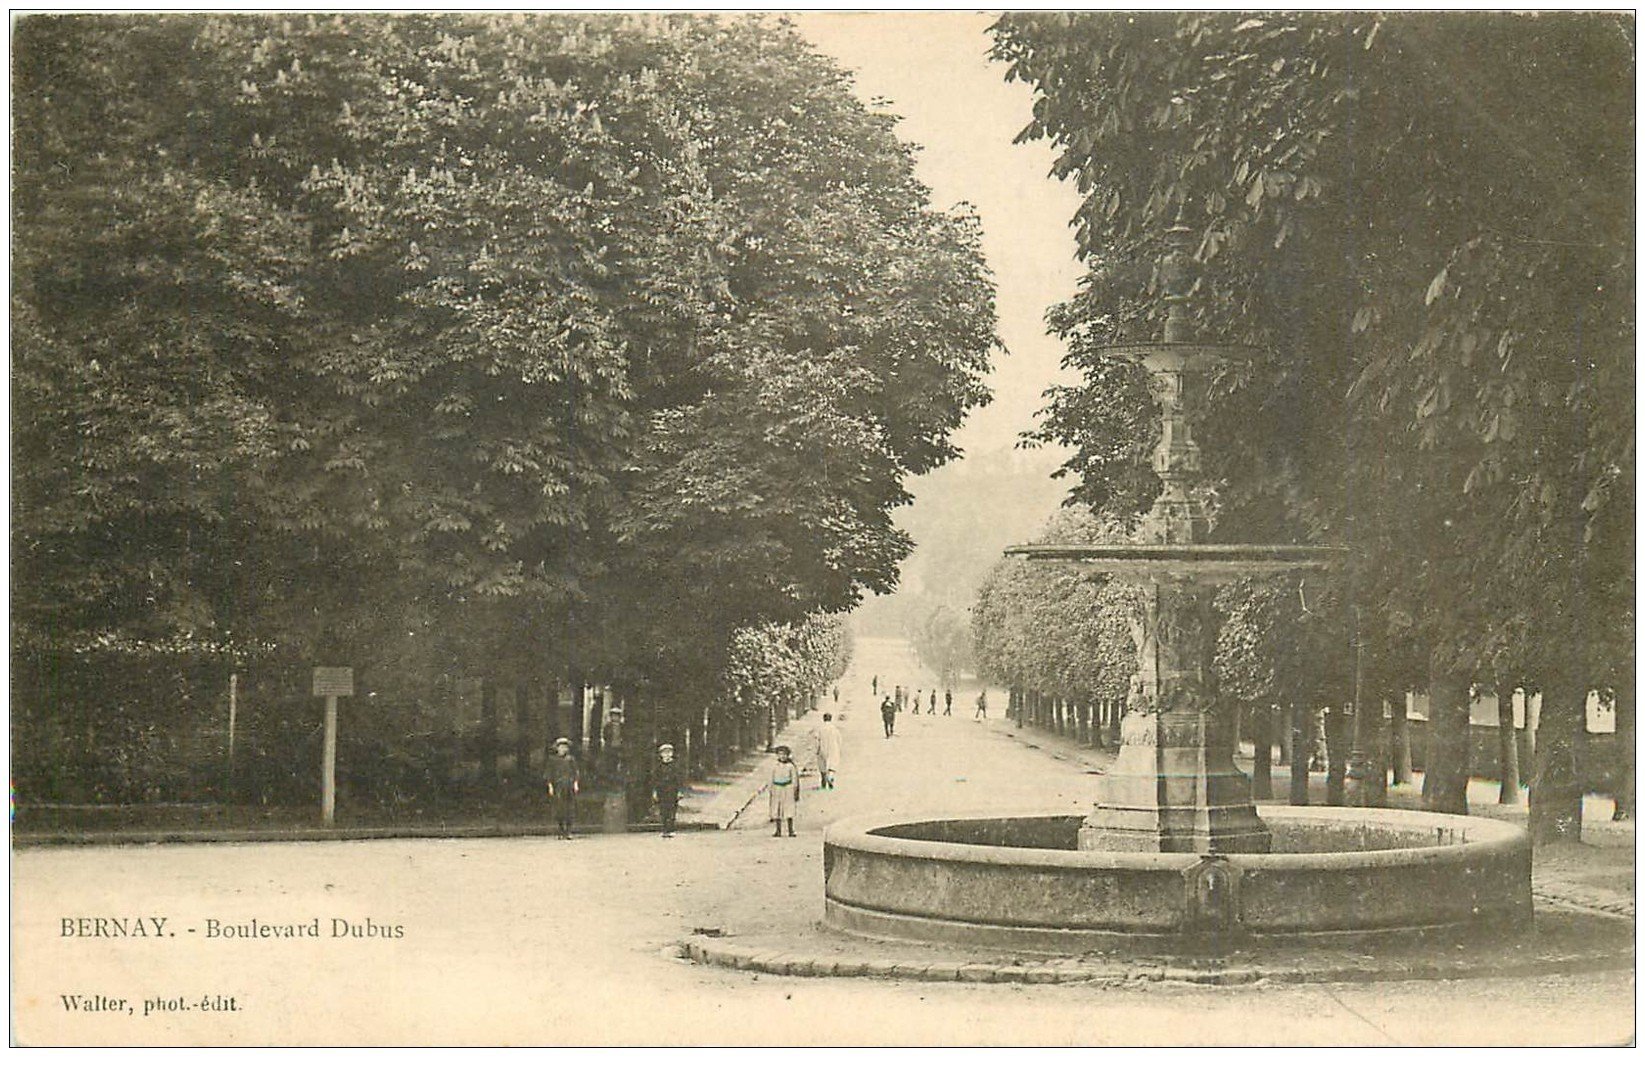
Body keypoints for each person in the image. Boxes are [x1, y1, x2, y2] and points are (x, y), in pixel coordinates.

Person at [546, 737, 581, 839]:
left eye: (565, 747)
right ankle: (561, 831)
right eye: (561, 747)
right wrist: (550, 786)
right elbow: (549, 774)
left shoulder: (570, 759)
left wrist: (575, 784)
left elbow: (575, 773)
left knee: (570, 808)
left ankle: (569, 831)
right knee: (559, 809)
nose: (563, 749)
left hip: (569, 786)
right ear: (557, 748)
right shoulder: (552, 760)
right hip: (558, 787)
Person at [653, 743, 683, 838]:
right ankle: (664, 829)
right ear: (661, 754)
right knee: (663, 810)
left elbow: (679, 779)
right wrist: (655, 791)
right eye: (664, 753)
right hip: (662, 790)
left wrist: (679, 791)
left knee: (672, 809)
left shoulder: (675, 765)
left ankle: (671, 829)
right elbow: (655, 779)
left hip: (672, 790)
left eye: (669, 752)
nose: (667, 755)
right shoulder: (658, 766)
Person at [769, 745, 799, 837]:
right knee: (777, 809)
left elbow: (795, 779)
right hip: (777, 788)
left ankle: (790, 830)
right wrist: (771, 789)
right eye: (780, 754)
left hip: (788, 788)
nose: (782, 756)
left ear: (787, 755)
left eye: (784, 754)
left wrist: (794, 789)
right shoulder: (775, 766)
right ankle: (778, 831)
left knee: (788, 809)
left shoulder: (790, 766)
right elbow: (771, 778)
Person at [814, 713, 843, 789]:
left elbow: (817, 740)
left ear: (823, 719)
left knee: (822, 765)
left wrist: (817, 749)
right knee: (832, 765)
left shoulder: (820, 729)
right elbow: (839, 740)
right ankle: (830, 777)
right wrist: (839, 749)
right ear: (831, 719)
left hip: (822, 748)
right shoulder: (835, 729)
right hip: (833, 749)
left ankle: (823, 778)